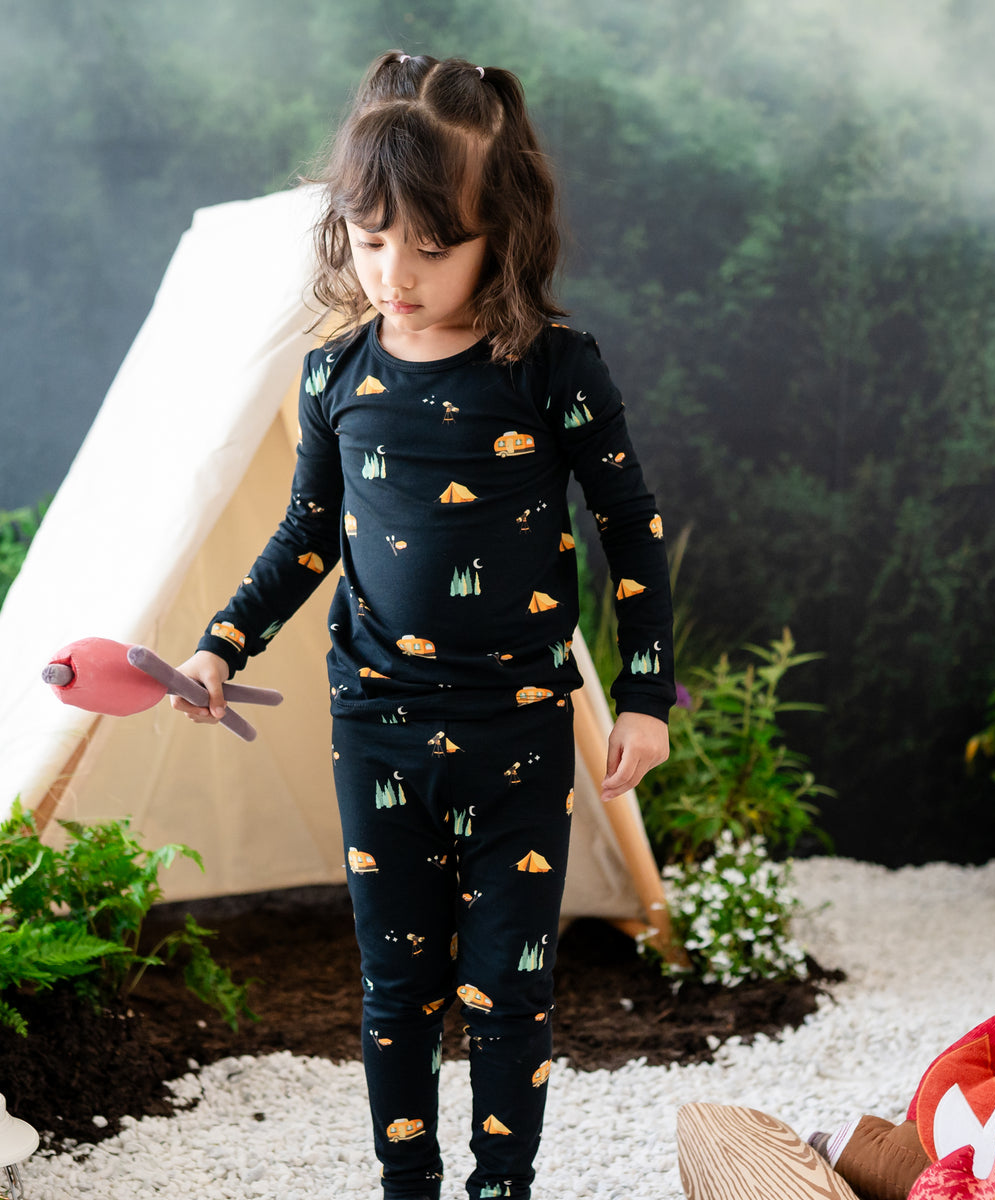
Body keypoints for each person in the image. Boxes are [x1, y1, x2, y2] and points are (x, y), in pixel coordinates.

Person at [170, 50, 674, 1200]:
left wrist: (644, 693)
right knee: (398, 994)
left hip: (521, 730)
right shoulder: (333, 377)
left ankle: (503, 1190)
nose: (396, 271)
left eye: (433, 247)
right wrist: (218, 645)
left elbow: (630, 531)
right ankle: (410, 1190)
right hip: (379, 728)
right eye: (371, 236)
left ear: (506, 233)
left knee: (511, 989)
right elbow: (305, 539)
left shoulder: (555, 370)